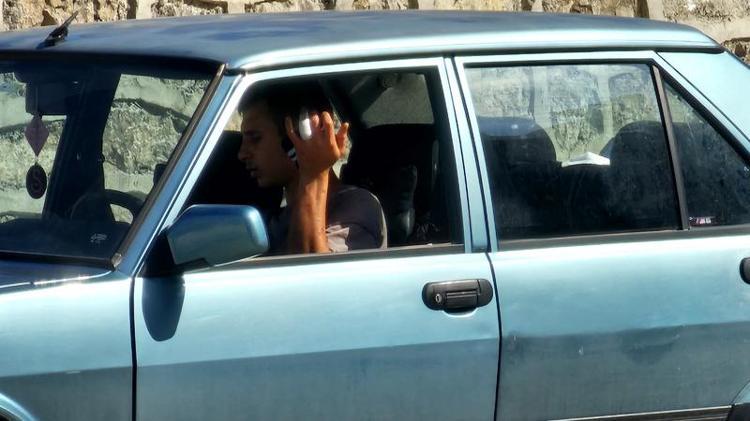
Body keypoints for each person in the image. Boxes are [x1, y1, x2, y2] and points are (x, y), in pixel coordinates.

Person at [237, 81, 387, 254]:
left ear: (302, 135)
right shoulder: (276, 217)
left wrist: (314, 175)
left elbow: (309, 267)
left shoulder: (357, 207)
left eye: (255, 138)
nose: (241, 154)